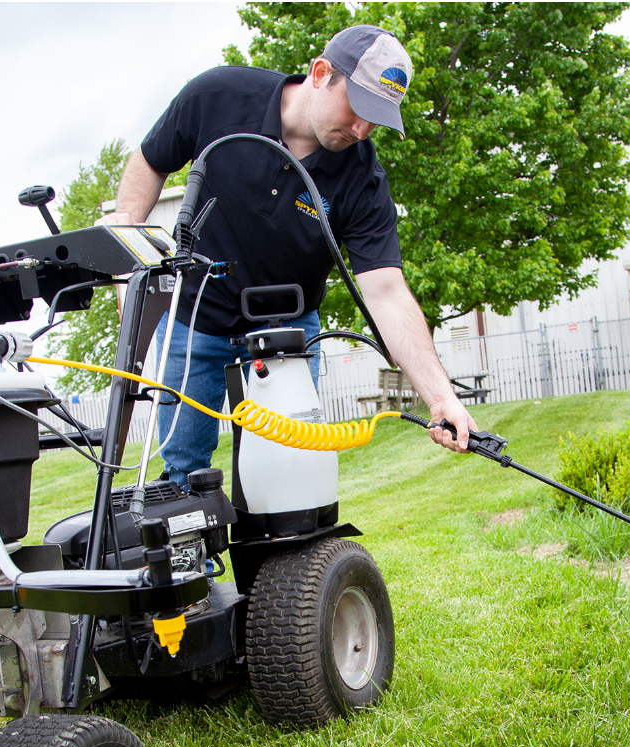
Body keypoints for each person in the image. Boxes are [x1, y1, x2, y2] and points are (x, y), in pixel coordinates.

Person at [98, 24, 477, 487]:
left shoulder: (363, 178)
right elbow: (151, 159)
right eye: (358, 108)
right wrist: (128, 255)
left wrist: (440, 398)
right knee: (183, 474)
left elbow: (387, 294)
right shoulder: (218, 95)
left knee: (284, 483)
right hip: (194, 319)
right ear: (321, 73)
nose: (362, 129)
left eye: (376, 119)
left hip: (286, 331)